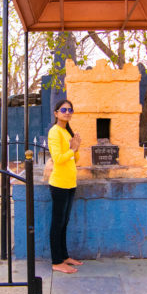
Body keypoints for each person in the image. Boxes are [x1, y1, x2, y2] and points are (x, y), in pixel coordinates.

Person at [48, 99, 83, 274]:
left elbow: (74, 160)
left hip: (70, 183)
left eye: (70, 109)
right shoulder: (55, 132)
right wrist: (72, 149)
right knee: (57, 223)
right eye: (63, 109)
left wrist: (75, 149)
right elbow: (58, 159)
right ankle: (56, 261)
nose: (67, 112)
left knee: (64, 223)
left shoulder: (67, 132)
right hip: (59, 184)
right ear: (56, 113)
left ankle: (64, 256)